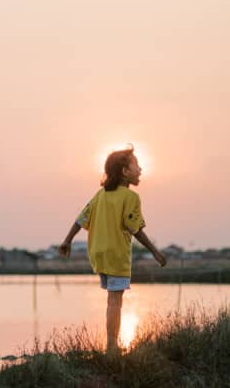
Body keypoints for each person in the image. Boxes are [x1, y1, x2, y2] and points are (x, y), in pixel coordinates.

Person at [58, 145, 167, 355]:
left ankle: (111, 344)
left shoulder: (100, 195)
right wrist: (155, 251)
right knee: (115, 301)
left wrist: (67, 240)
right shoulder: (131, 197)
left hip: (99, 254)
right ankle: (112, 347)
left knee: (111, 300)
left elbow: (81, 219)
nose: (141, 169)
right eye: (136, 166)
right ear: (125, 172)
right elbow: (134, 228)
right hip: (116, 255)